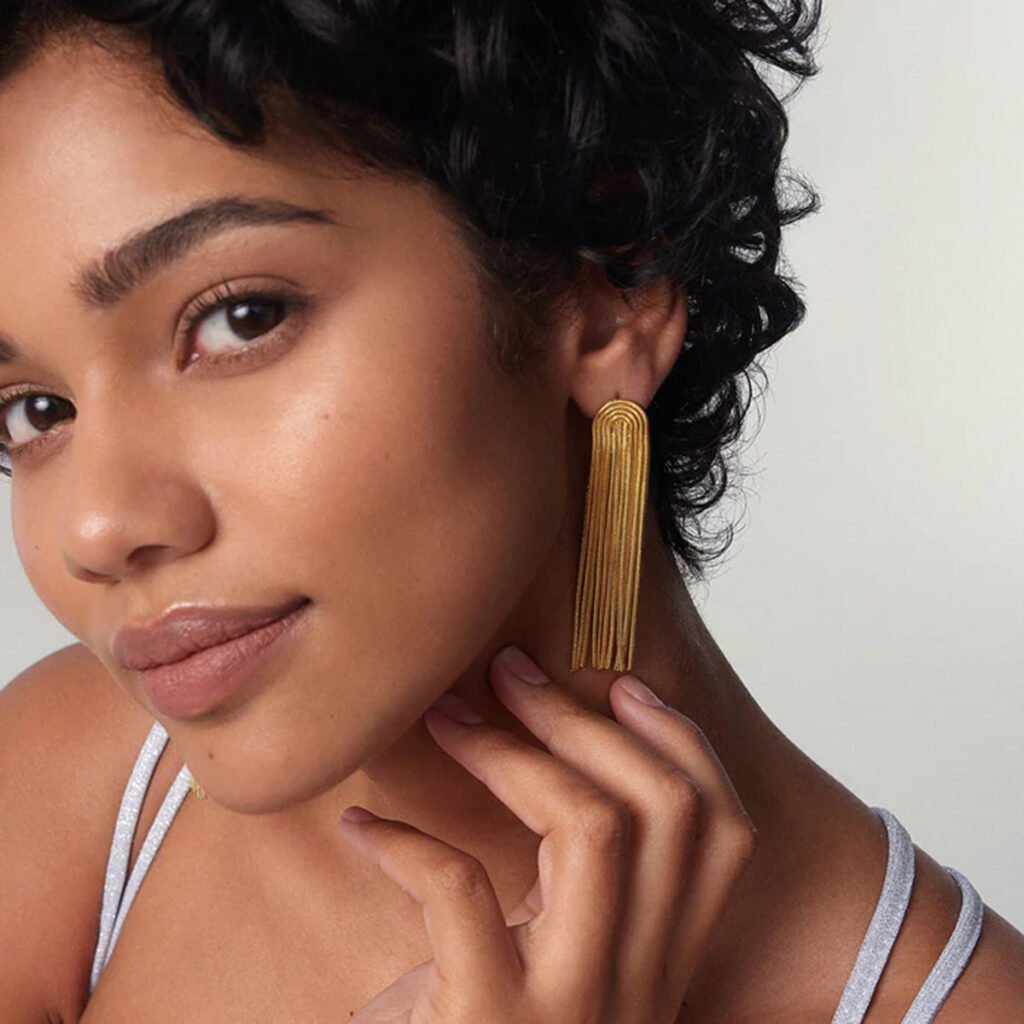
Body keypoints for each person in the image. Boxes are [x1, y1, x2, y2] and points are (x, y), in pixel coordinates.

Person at [0, 2, 1021, 1022]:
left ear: (611, 291)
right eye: (34, 410)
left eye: (239, 318)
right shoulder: (70, 786)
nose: (95, 527)